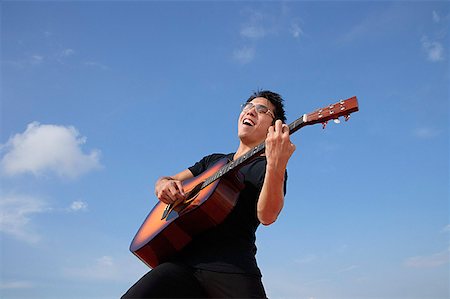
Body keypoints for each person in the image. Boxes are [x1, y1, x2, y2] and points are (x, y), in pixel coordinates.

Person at [122, 90, 296, 298]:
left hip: (231, 265)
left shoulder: (269, 168)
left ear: (274, 127)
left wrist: (277, 164)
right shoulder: (213, 161)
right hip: (182, 261)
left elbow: (268, 216)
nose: (251, 111)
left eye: (261, 110)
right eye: (248, 106)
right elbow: (169, 180)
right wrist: (163, 185)